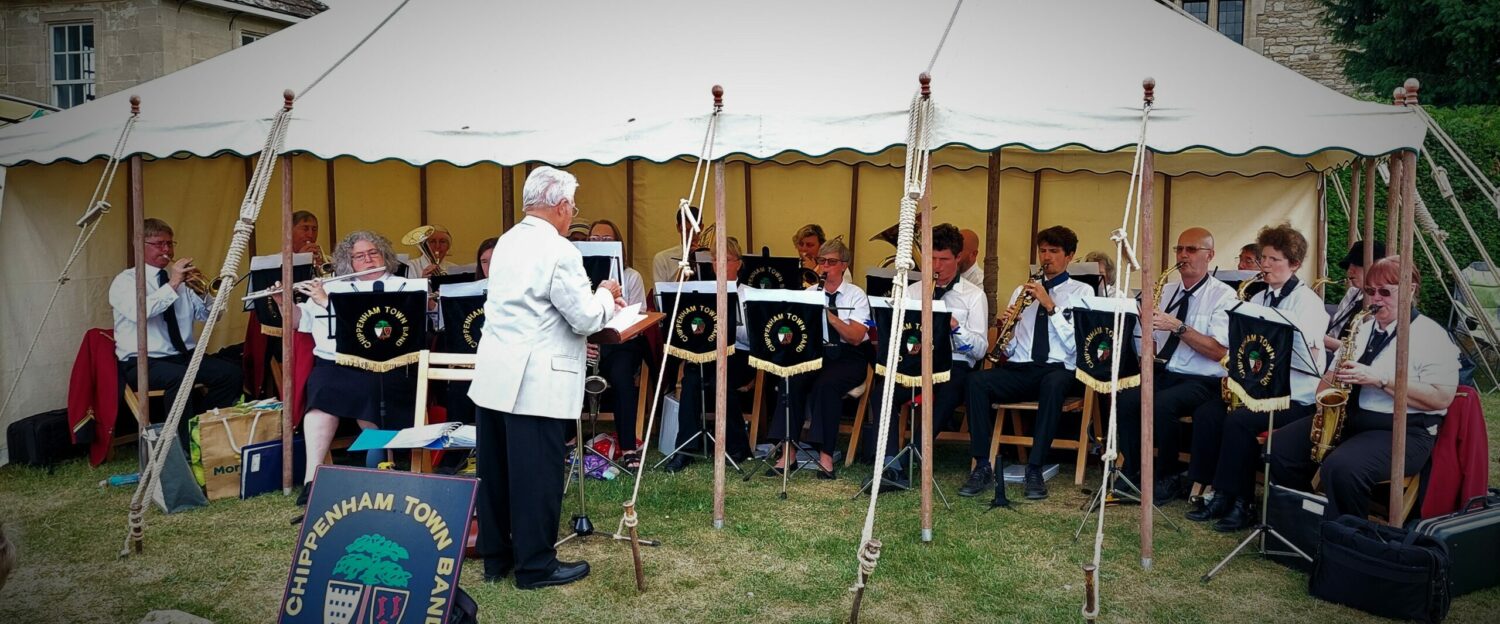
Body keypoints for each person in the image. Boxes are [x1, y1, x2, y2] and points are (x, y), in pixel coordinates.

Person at [468, 166, 624, 590]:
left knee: (496, 475)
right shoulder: (560, 250)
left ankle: (497, 560)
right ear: (559, 206)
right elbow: (586, 317)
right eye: (572, 206)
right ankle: (536, 566)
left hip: (496, 373)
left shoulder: (506, 242)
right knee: (536, 477)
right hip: (536, 379)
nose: (573, 214)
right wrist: (607, 296)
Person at [1269, 256, 1459, 520]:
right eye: (1370, 292)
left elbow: (1441, 397)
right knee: (1279, 446)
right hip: (1351, 420)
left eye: (1385, 292)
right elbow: (1323, 388)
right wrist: (1333, 377)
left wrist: (1381, 379)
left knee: (1342, 467)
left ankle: (1349, 535)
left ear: (1411, 290)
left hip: (1403, 431)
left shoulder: (1430, 335)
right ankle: (1305, 521)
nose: (1375, 300)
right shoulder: (1362, 328)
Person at [1187, 223, 1329, 531]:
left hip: (1295, 396)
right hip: (1262, 392)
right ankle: (1217, 491)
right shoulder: (1258, 299)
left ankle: (1243, 502)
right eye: (1263, 258)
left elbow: (1313, 358)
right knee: (1209, 413)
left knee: (1240, 421)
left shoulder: (1308, 304)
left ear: (1294, 264)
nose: (1265, 265)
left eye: (1274, 259)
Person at [291, 231, 423, 499]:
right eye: (359, 256)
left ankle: (380, 462)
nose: (368, 259)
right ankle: (312, 479)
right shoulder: (331, 286)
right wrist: (284, 302)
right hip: (335, 365)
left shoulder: (405, 287)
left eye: (373, 253)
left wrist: (328, 303)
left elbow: (373, 330)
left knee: (370, 387)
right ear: (348, 262)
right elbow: (298, 323)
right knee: (320, 392)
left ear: (384, 254)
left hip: (389, 366)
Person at [965, 226, 1092, 501]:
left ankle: (1035, 468)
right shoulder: (1021, 292)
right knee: (977, 382)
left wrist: (1050, 307)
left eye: (1054, 251)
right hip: (1022, 369)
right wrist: (1007, 329)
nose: (1046, 257)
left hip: (1059, 369)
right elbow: (1009, 349)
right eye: (1042, 251)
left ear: (1070, 255)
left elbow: (1077, 347)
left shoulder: (1083, 292)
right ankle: (982, 465)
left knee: (1053, 383)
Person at [1114, 228, 1235, 501]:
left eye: (1191, 250)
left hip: (1204, 379)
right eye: (1179, 250)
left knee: (1163, 404)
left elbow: (1218, 351)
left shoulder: (1223, 296)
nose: (1183, 256)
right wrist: (1144, 329)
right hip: (1167, 371)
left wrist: (1178, 327)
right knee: (1128, 399)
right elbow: (1153, 345)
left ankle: (1167, 476)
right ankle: (1132, 472)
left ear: (1210, 255)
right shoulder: (1166, 290)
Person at [869, 224, 988, 492]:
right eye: (931, 259)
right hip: (916, 363)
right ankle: (890, 464)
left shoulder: (974, 296)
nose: (936, 266)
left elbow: (980, 349)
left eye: (944, 259)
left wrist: (956, 327)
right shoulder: (913, 292)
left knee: (949, 390)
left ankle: (916, 456)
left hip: (954, 364)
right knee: (882, 393)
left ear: (958, 259)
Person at [110, 218, 243, 450]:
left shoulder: (182, 283)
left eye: (170, 244)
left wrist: (206, 294)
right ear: (141, 245)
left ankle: (201, 428)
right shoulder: (126, 281)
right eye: (160, 244)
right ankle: (180, 447)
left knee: (230, 373)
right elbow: (141, 314)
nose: (167, 250)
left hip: (183, 356)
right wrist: (172, 284)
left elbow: (210, 317)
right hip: (142, 361)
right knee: (179, 377)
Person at [768, 238, 871, 478]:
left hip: (849, 355)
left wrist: (830, 317)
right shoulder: (810, 292)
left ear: (844, 265)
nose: (825, 267)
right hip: (816, 352)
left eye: (831, 262)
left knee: (827, 385)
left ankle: (826, 455)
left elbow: (856, 336)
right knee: (790, 379)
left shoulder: (857, 296)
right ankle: (788, 452)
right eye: (821, 261)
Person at [664, 236, 755, 471]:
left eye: (726, 259)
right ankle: (685, 448)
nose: (719, 264)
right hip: (707, 354)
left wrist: (729, 324)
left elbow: (753, 337)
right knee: (691, 380)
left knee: (719, 381)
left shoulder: (748, 294)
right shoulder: (702, 292)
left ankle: (737, 446)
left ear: (739, 263)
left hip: (739, 355)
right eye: (716, 259)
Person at [586, 219, 649, 469]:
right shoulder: (579, 276)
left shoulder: (631, 276)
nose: (600, 244)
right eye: (594, 240)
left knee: (622, 376)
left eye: (606, 240)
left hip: (620, 342)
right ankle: (568, 438)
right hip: (585, 342)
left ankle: (628, 446)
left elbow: (640, 317)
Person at [1325, 240, 1387, 354]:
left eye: (1357, 265)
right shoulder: (1353, 292)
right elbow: (1335, 332)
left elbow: (1363, 350)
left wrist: (1321, 340)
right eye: (1349, 266)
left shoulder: (1385, 303)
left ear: (1375, 268)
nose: (1349, 271)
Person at [652, 205, 702, 284]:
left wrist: (701, 256)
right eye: (687, 231)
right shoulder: (662, 259)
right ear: (678, 228)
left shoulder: (711, 258)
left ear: (701, 227)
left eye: (695, 231)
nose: (691, 236)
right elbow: (659, 295)